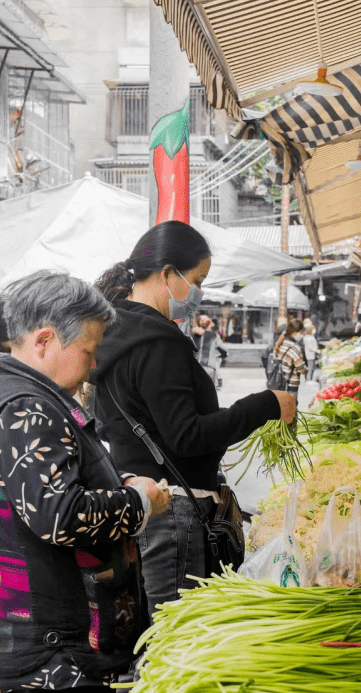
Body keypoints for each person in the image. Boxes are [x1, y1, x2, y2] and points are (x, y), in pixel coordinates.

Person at [0, 271, 168, 693]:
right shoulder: (23, 407)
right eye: (89, 351)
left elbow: (49, 495)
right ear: (45, 340)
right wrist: (139, 502)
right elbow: (60, 515)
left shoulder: (16, 394)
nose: (93, 366)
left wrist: (115, 486)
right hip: (53, 648)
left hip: (50, 639)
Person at [92, 221, 296, 611]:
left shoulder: (112, 332)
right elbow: (187, 436)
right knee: (177, 631)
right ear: (167, 273)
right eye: (197, 280)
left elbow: (106, 423)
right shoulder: (158, 342)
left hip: (139, 502)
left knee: (157, 628)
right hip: (173, 513)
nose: (198, 292)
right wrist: (266, 405)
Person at [273, 318, 308, 397]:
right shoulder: (294, 348)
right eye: (301, 333)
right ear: (296, 333)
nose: (302, 335)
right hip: (290, 385)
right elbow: (300, 369)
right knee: (291, 404)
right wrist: (306, 371)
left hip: (279, 382)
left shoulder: (280, 344)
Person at [195, 314, 228, 387]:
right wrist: (218, 356)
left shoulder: (192, 336)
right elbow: (224, 351)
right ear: (209, 323)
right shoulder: (214, 336)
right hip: (209, 368)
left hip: (194, 369)